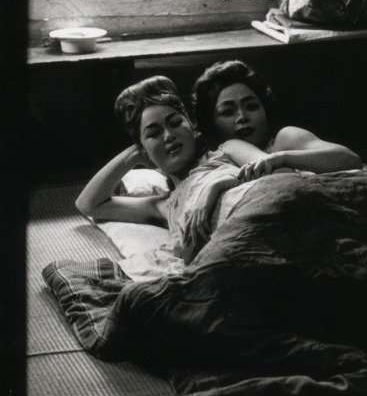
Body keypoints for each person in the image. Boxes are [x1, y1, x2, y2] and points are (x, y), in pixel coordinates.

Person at [75, 76, 243, 259]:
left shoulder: (228, 150)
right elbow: (88, 204)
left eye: (175, 123)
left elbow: (272, 171)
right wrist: (135, 154)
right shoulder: (163, 206)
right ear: (144, 152)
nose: (169, 136)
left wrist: (215, 186)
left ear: (192, 126)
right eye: (154, 133)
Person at [191, 60, 362, 181]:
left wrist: (281, 158)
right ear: (211, 122)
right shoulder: (213, 161)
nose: (242, 117)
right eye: (228, 112)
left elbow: (350, 159)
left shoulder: (285, 139)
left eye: (251, 106)